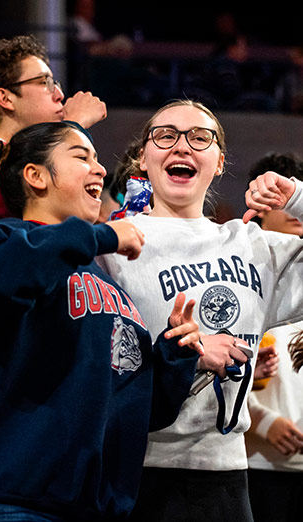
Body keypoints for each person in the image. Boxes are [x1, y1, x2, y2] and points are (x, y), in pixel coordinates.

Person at [0, 121, 209, 522]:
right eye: (82, 157)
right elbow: (19, 265)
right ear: (35, 176)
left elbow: (134, 408)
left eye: (98, 159)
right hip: (10, 504)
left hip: (90, 508)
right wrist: (101, 235)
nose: (100, 169)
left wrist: (174, 353)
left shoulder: (108, 283)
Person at [97, 99, 303, 522]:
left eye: (199, 137)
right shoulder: (110, 246)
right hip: (133, 472)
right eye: (166, 135)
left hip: (228, 479)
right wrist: (185, 353)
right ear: (142, 156)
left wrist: (295, 197)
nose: (182, 147)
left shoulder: (255, 247)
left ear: (220, 161)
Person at [0, 34, 107, 240]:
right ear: (6, 98)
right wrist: (73, 126)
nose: (59, 95)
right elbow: (0, 193)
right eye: (45, 82)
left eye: (56, 83)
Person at [243, 152, 303, 522]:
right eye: (281, 194)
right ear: (262, 206)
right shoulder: (242, 267)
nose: (293, 206)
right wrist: (264, 421)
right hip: (259, 465)